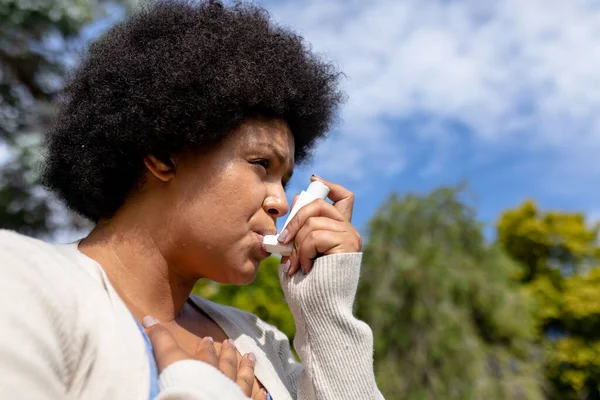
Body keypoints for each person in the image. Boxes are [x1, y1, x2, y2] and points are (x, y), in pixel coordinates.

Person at [0, 0, 382, 399]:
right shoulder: (22, 282)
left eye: (284, 180)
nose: (281, 203)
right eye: (260, 164)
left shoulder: (260, 342)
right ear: (164, 154)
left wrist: (326, 315)